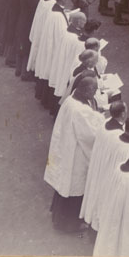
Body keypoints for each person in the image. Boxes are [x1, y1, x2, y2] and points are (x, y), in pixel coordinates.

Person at [44, 75, 106, 233]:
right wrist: (102, 121)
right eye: (94, 90)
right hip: (76, 154)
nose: (95, 92)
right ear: (86, 90)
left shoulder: (72, 99)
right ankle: (68, 225)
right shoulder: (79, 110)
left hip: (68, 147)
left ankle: (58, 218)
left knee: (64, 187)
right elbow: (89, 135)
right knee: (74, 189)